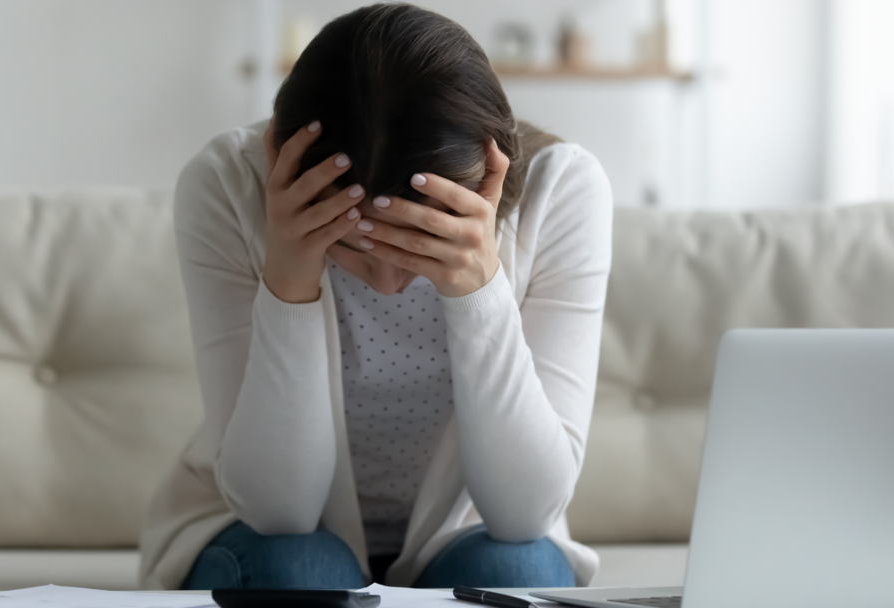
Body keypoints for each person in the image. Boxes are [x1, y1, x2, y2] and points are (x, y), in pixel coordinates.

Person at [139, 3, 612, 591]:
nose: (387, 282)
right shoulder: (228, 187)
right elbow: (278, 512)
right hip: (257, 532)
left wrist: (478, 291)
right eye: (354, 248)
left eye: (422, 245)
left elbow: (525, 516)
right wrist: (289, 281)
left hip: (472, 532)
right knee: (304, 569)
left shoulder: (561, 189)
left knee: (519, 569)